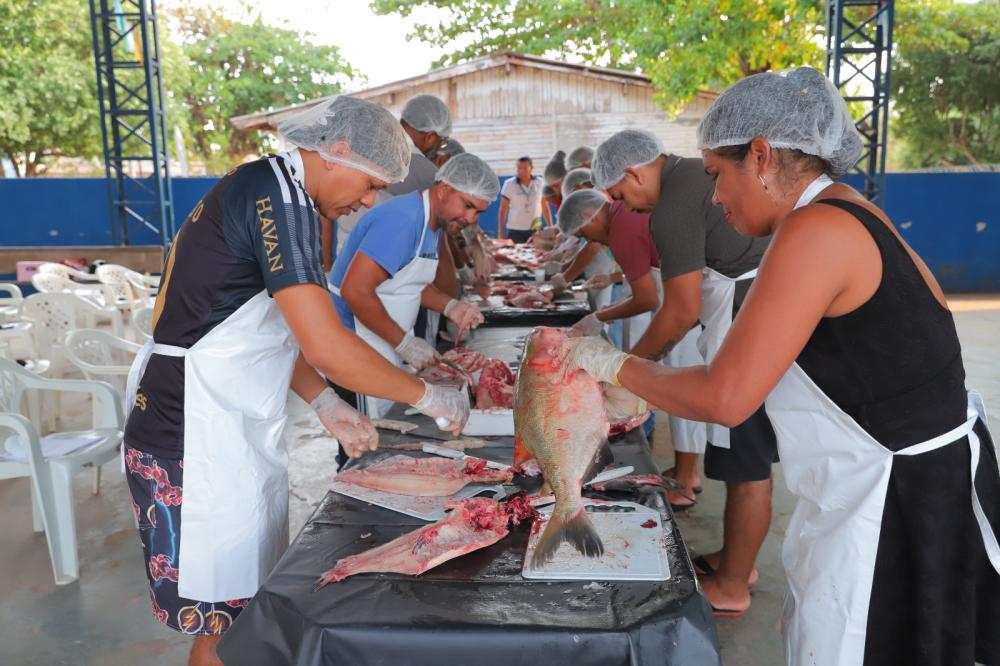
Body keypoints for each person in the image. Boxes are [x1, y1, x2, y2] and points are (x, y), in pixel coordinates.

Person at [560, 67, 1000, 665]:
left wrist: (609, 364)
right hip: (892, 481)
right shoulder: (851, 211)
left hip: (894, 502)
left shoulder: (816, 229)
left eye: (717, 175)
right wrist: (649, 385)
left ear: (762, 156)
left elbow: (725, 397)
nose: (716, 197)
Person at [121, 97, 469, 666]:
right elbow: (326, 344)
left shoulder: (284, 193)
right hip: (192, 431)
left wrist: (326, 402)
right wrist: (428, 395)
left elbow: (263, 330)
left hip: (223, 425)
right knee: (222, 627)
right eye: (370, 184)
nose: (369, 200)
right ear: (336, 152)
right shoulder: (279, 197)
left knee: (241, 612)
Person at [591, 126, 776, 603]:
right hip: (748, 306)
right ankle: (735, 560)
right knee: (745, 455)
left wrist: (624, 370)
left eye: (619, 195)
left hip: (743, 317)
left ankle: (733, 585)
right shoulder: (692, 174)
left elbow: (680, 310)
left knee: (745, 461)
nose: (626, 208)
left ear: (633, 172)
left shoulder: (671, 206)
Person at [328, 153, 500, 418]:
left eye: (478, 212)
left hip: (384, 343)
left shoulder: (431, 223)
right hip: (356, 347)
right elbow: (356, 291)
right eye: (467, 205)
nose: (471, 218)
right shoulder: (404, 221)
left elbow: (405, 280)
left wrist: (451, 307)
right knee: (368, 433)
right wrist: (405, 343)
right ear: (444, 189)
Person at [334, 93, 452, 255]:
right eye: (442, 142)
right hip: (378, 258)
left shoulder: (370, 146)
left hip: (346, 253)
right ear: (430, 136)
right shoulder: (424, 169)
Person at [557, 189, 661, 345]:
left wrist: (598, 317)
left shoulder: (620, 232)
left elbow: (647, 300)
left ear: (588, 215)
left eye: (583, 234)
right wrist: (614, 309)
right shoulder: (620, 211)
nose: (589, 240)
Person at [498, 156, 552, 243]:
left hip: (535, 229)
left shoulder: (540, 183)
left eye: (525, 168)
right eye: (519, 168)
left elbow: (545, 206)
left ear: (531, 169)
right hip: (515, 230)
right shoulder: (509, 184)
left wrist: (550, 227)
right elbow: (503, 210)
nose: (521, 171)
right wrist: (501, 232)